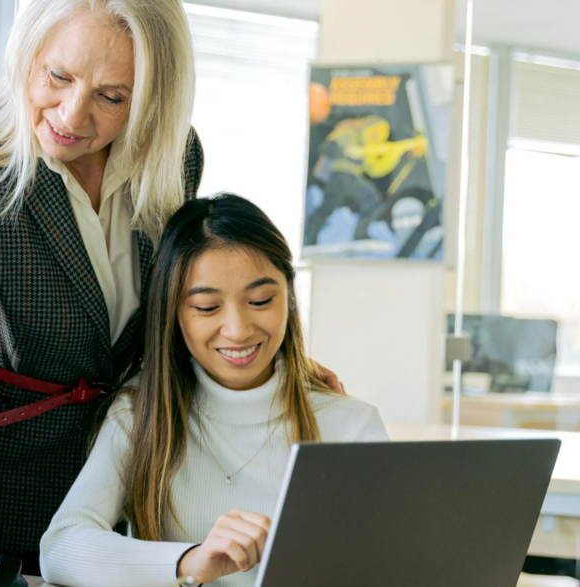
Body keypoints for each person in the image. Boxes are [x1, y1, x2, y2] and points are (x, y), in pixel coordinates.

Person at [0, 1, 202, 585]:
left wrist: (280, 369)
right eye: (58, 76)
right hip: (6, 499)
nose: (73, 114)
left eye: (112, 97)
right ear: (26, 53)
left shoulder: (174, 156)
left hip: (137, 501)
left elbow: (184, 303)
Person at [39, 194, 388, 587]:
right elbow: (61, 547)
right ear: (172, 312)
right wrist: (189, 561)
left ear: (288, 296)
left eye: (260, 300)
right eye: (207, 307)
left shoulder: (351, 424)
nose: (238, 330)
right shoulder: (139, 414)